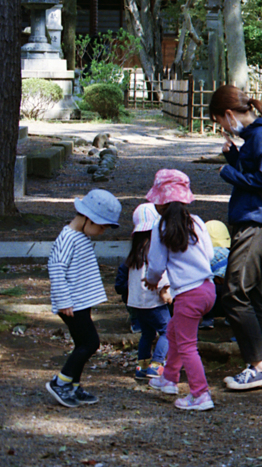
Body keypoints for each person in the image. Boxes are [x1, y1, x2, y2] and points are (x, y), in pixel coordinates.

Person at [209, 85, 262, 391]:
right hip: (255, 223)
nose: (222, 128)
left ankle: (258, 367)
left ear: (229, 114)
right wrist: (235, 159)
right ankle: (261, 361)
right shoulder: (256, 135)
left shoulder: (261, 134)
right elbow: (258, 171)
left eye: (220, 121)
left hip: (257, 225)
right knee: (250, 293)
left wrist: (229, 174)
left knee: (234, 292)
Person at [143, 170, 217, 412]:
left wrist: (153, 280)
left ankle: (200, 393)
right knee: (174, 331)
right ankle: (169, 378)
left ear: (160, 203)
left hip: (188, 294)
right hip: (207, 288)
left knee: (187, 345)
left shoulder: (161, 227)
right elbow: (210, 255)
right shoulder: (196, 222)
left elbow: (155, 263)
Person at [46, 188, 122, 408]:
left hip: (80, 301)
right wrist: (64, 301)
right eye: (101, 226)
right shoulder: (67, 237)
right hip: (71, 304)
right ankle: (61, 382)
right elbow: (56, 267)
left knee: (82, 343)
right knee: (90, 343)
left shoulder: (80, 236)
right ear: (88, 218)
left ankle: (74, 386)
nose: (102, 231)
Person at [126, 203, 171, 380]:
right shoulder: (153, 250)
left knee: (147, 333)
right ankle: (157, 364)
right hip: (153, 301)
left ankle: (142, 366)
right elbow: (157, 271)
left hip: (137, 302)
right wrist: (165, 290)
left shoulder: (135, 253)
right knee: (168, 330)